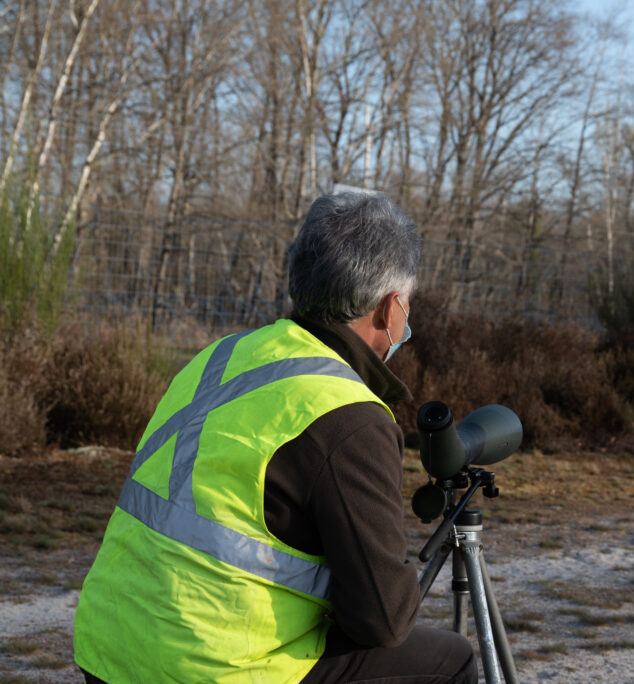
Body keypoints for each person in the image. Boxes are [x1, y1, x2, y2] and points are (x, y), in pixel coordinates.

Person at [73, 189, 476, 683]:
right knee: (450, 661)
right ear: (390, 309)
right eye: (408, 307)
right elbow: (383, 620)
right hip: (206, 670)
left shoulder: (218, 359)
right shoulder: (350, 415)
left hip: (110, 647)